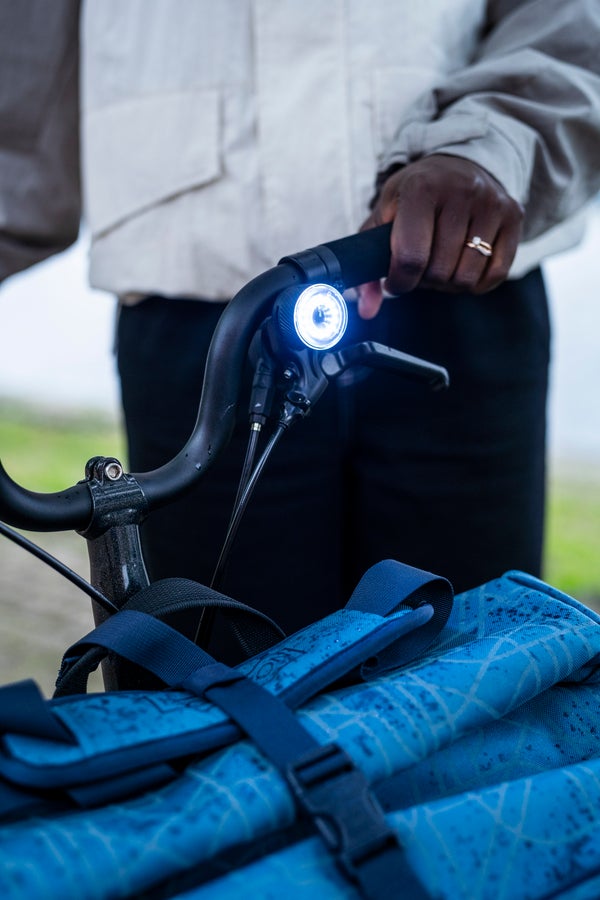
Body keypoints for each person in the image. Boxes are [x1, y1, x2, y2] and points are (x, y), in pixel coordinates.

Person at [1, 1, 599, 661]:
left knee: (474, 686)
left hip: (459, 283)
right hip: (201, 313)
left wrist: (494, 143)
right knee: (222, 693)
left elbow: (568, 18)